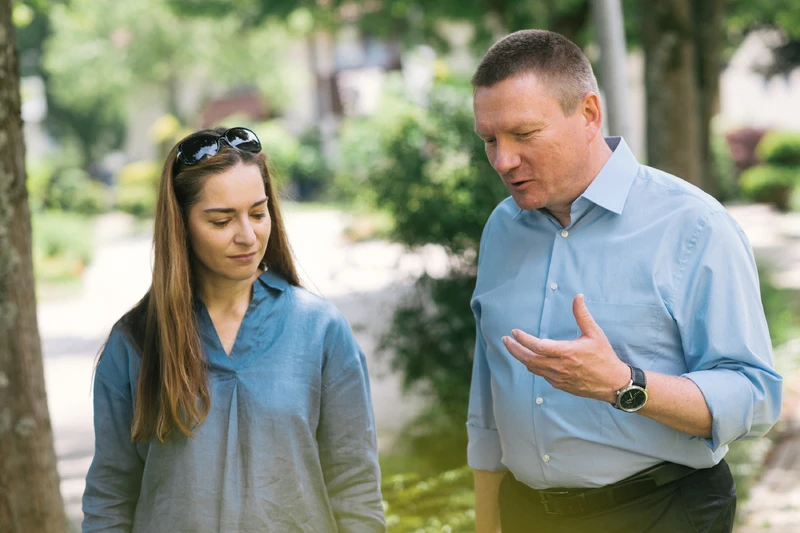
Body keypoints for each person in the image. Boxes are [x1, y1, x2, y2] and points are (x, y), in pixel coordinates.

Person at [467, 30, 782, 533]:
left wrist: (624, 385)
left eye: (523, 134)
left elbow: (755, 397)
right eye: (490, 140)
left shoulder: (694, 226)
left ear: (589, 114)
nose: (503, 160)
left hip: (662, 512)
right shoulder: (501, 228)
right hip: (526, 514)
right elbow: (489, 396)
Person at [82, 126, 386, 533]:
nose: (247, 236)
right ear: (182, 225)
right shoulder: (134, 343)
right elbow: (110, 498)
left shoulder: (320, 329)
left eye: (258, 214)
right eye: (222, 220)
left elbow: (356, 487)